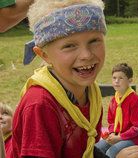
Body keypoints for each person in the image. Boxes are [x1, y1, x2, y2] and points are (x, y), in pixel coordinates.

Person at [12, 0, 107, 157]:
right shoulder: (40, 104)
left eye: (94, 41)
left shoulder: (90, 92)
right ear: (44, 55)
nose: (86, 55)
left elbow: (86, 148)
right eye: (69, 46)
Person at [95, 63, 138, 158]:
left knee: (111, 153)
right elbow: (111, 121)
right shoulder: (114, 100)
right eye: (114, 78)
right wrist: (112, 133)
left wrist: (119, 137)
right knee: (96, 149)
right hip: (118, 135)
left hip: (134, 139)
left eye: (121, 78)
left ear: (130, 80)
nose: (116, 81)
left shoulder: (134, 100)